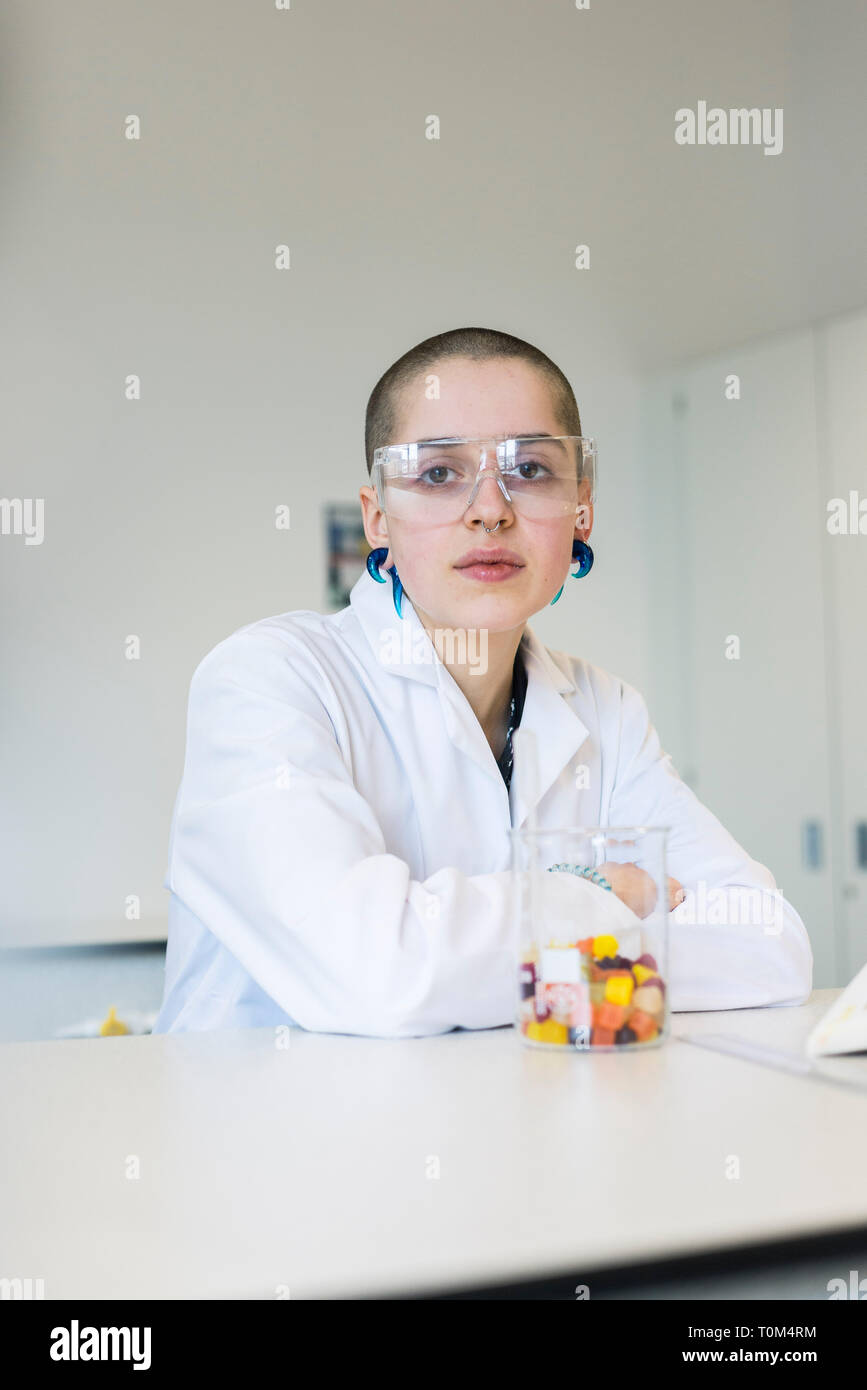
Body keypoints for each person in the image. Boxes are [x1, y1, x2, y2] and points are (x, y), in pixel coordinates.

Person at [152, 327, 812, 1036]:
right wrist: (596, 895)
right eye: (438, 474)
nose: (490, 509)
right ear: (378, 517)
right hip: (273, 1138)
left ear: (581, 504)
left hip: (511, 1133)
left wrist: (480, 950)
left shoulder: (605, 711)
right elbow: (379, 975)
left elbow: (766, 943)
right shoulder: (270, 678)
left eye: (529, 470)